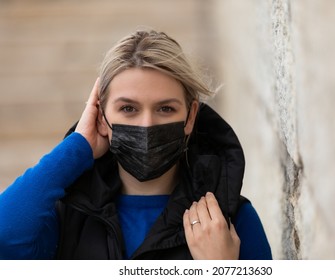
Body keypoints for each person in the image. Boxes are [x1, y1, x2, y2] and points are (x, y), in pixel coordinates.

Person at [0, 30, 272, 260]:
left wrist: (221, 271)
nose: (146, 125)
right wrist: (78, 146)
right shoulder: (65, 217)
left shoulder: (229, 222)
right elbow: (5, 233)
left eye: (165, 108)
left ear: (190, 117)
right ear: (102, 118)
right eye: (128, 108)